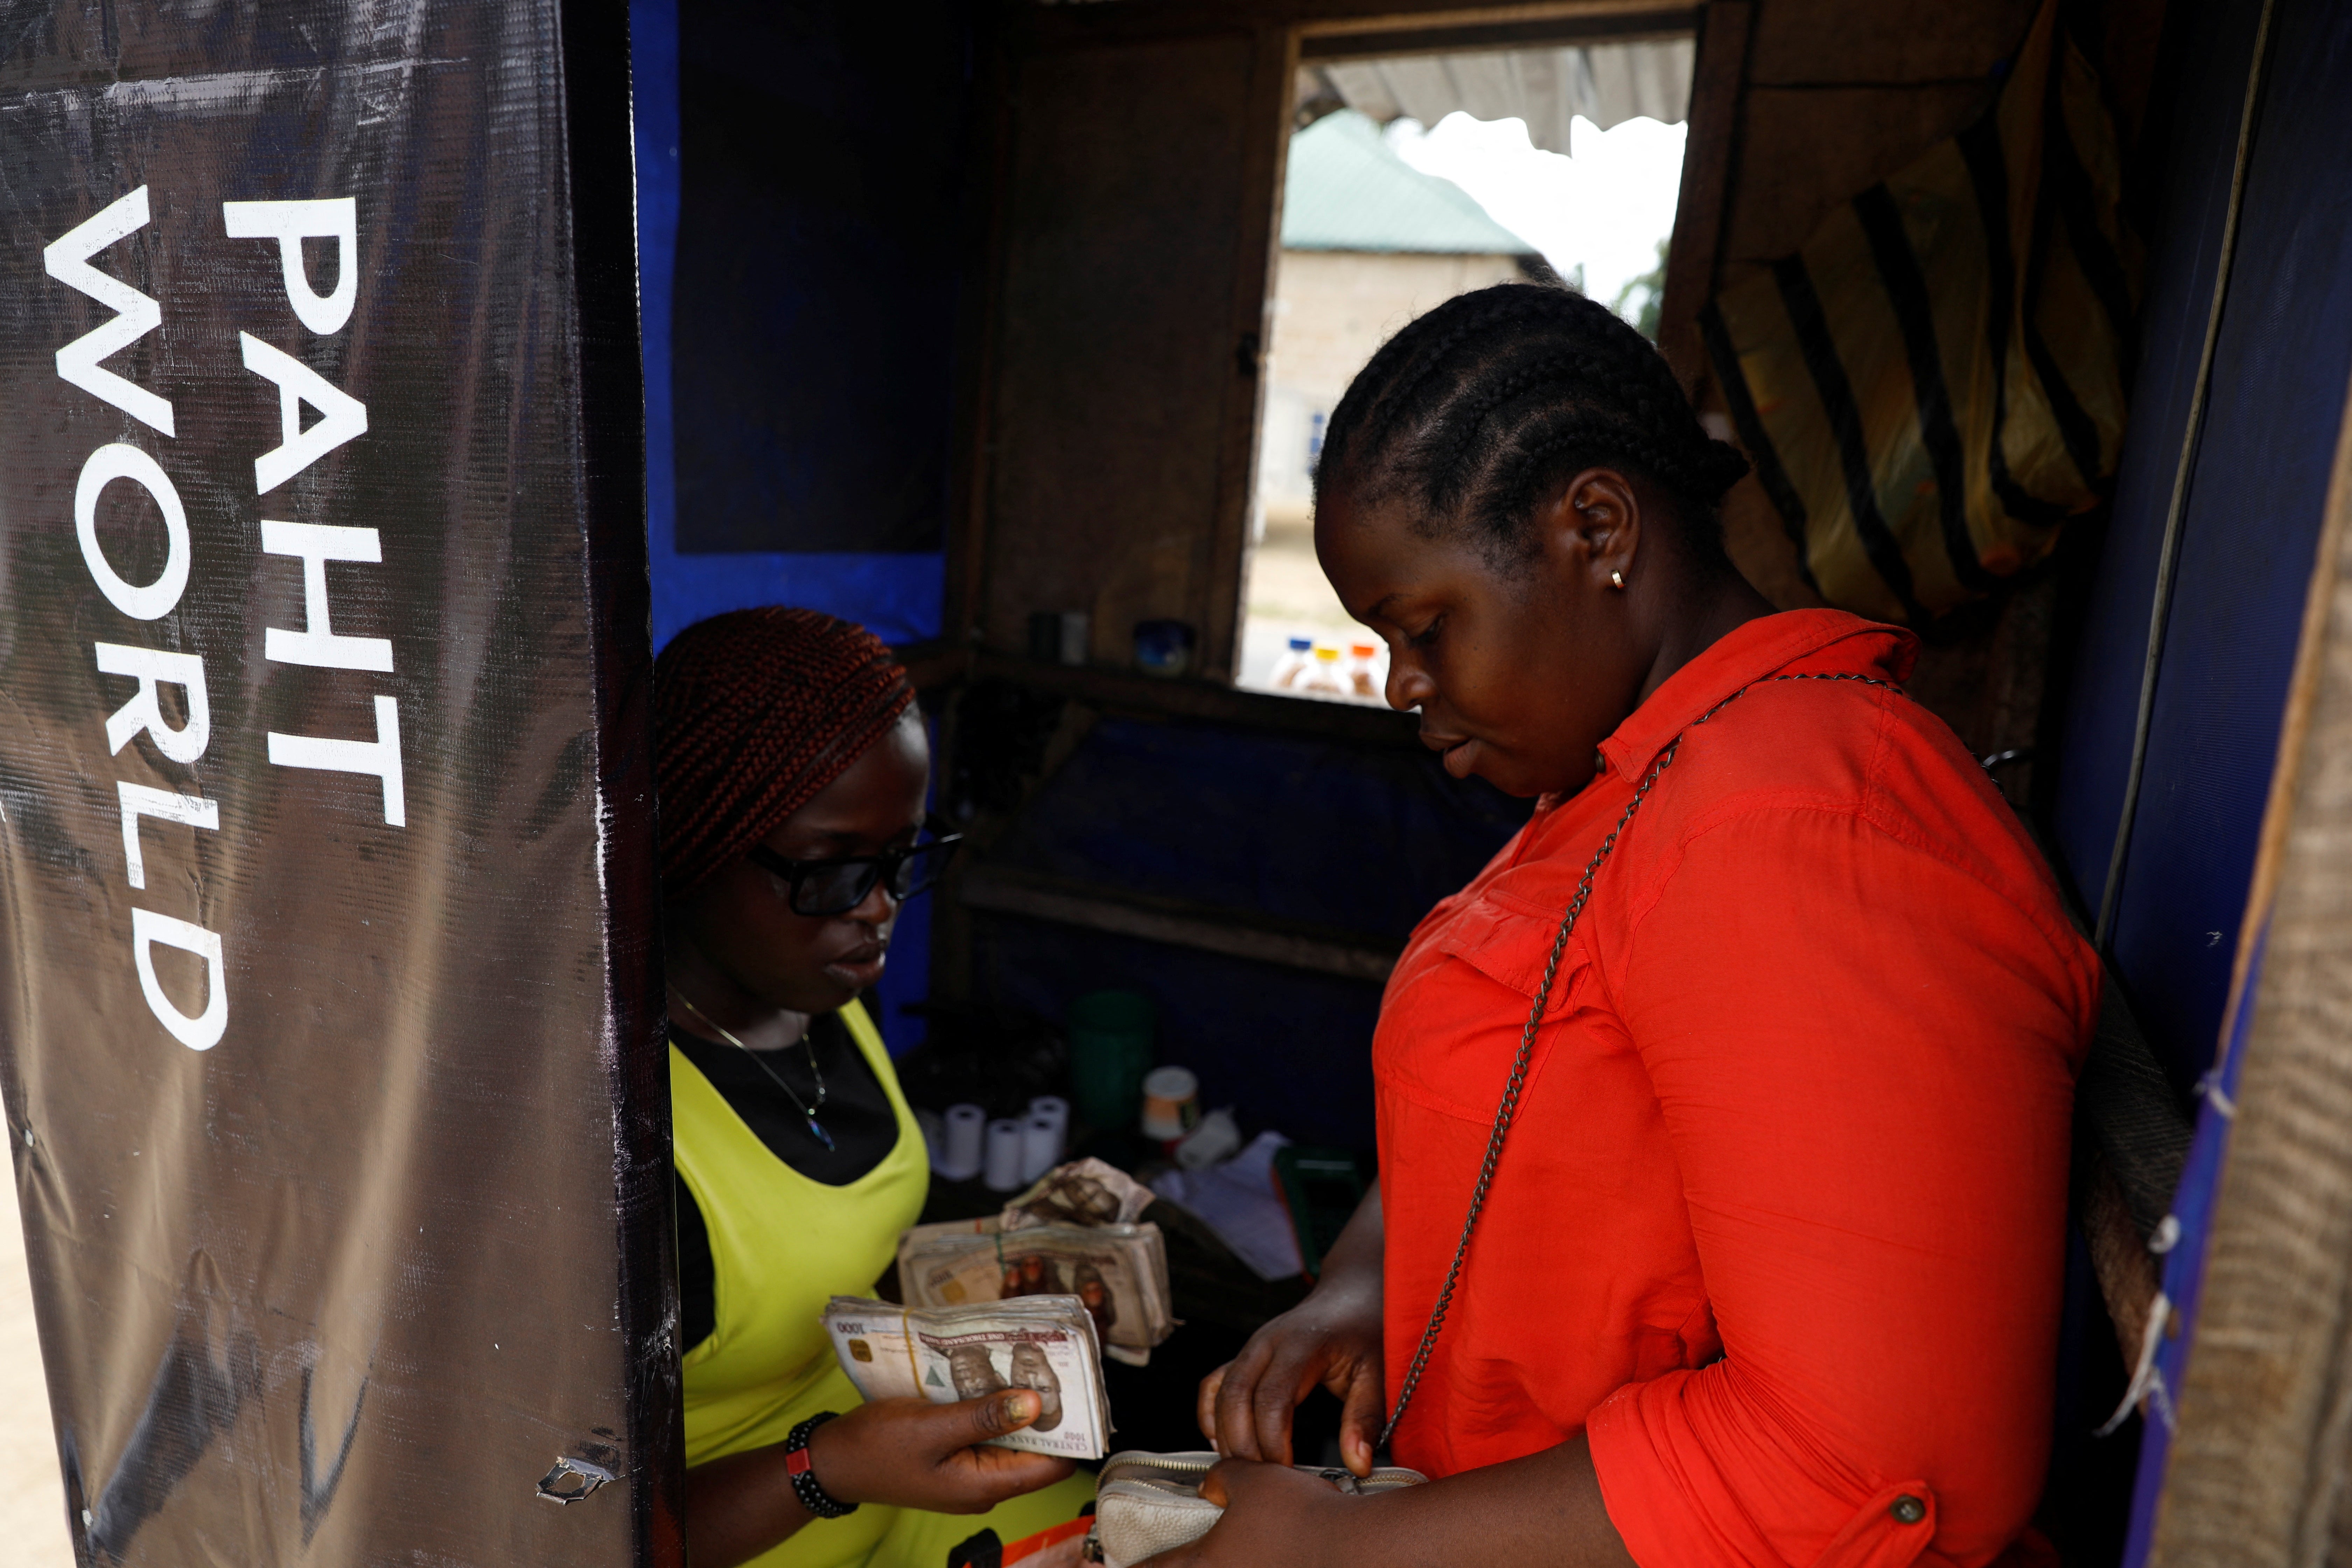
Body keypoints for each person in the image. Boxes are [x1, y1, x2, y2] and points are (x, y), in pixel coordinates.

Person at [1167, 285, 2099, 1567]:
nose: (1405, 686)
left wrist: (1334, 1552)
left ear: (1594, 527)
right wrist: (1372, 1278)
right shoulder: (1634, 778)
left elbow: (1866, 1464)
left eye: (1426, 626)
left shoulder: (1797, 826)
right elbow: (1530, 1091)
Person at [658, 607, 1096, 1568]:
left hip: (894, 1475)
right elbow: (568, 1532)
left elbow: (829, 1275)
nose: (879, 911)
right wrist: (831, 1467)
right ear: (692, 840)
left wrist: (985, 1292)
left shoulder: (818, 990)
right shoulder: (629, 1143)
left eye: (901, 861)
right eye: (832, 874)